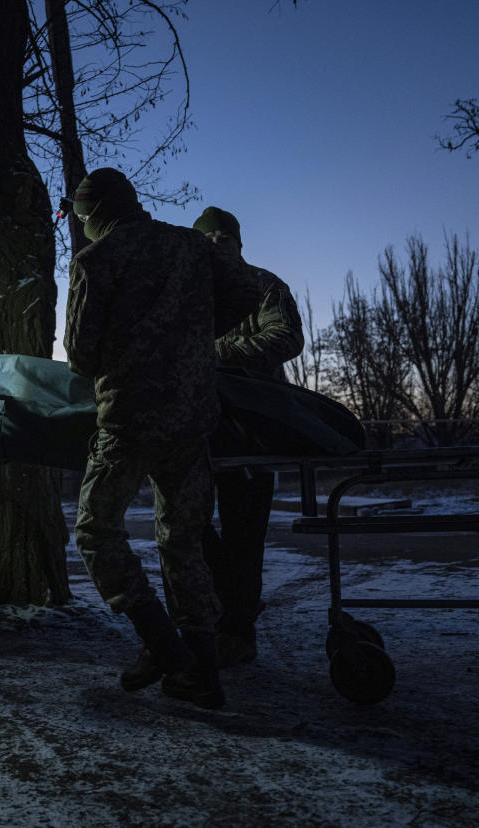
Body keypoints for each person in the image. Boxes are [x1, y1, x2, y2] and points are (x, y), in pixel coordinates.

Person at [63, 168, 261, 709]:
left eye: (84, 217)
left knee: (96, 531)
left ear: (95, 212)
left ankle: (163, 645)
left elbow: (80, 354)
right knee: (182, 540)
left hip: (129, 420)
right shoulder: (190, 246)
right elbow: (248, 290)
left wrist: (131, 344)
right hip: (194, 419)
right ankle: (203, 670)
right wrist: (195, 332)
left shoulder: (96, 261)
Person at [195, 206, 304, 667]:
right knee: (185, 527)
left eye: (227, 238)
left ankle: (237, 630)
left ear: (239, 243)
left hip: (251, 428)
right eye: (210, 239)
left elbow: (287, 337)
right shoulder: (187, 294)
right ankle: (223, 612)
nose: (219, 244)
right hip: (194, 425)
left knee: (245, 534)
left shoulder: (265, 285)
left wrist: (219, 352)